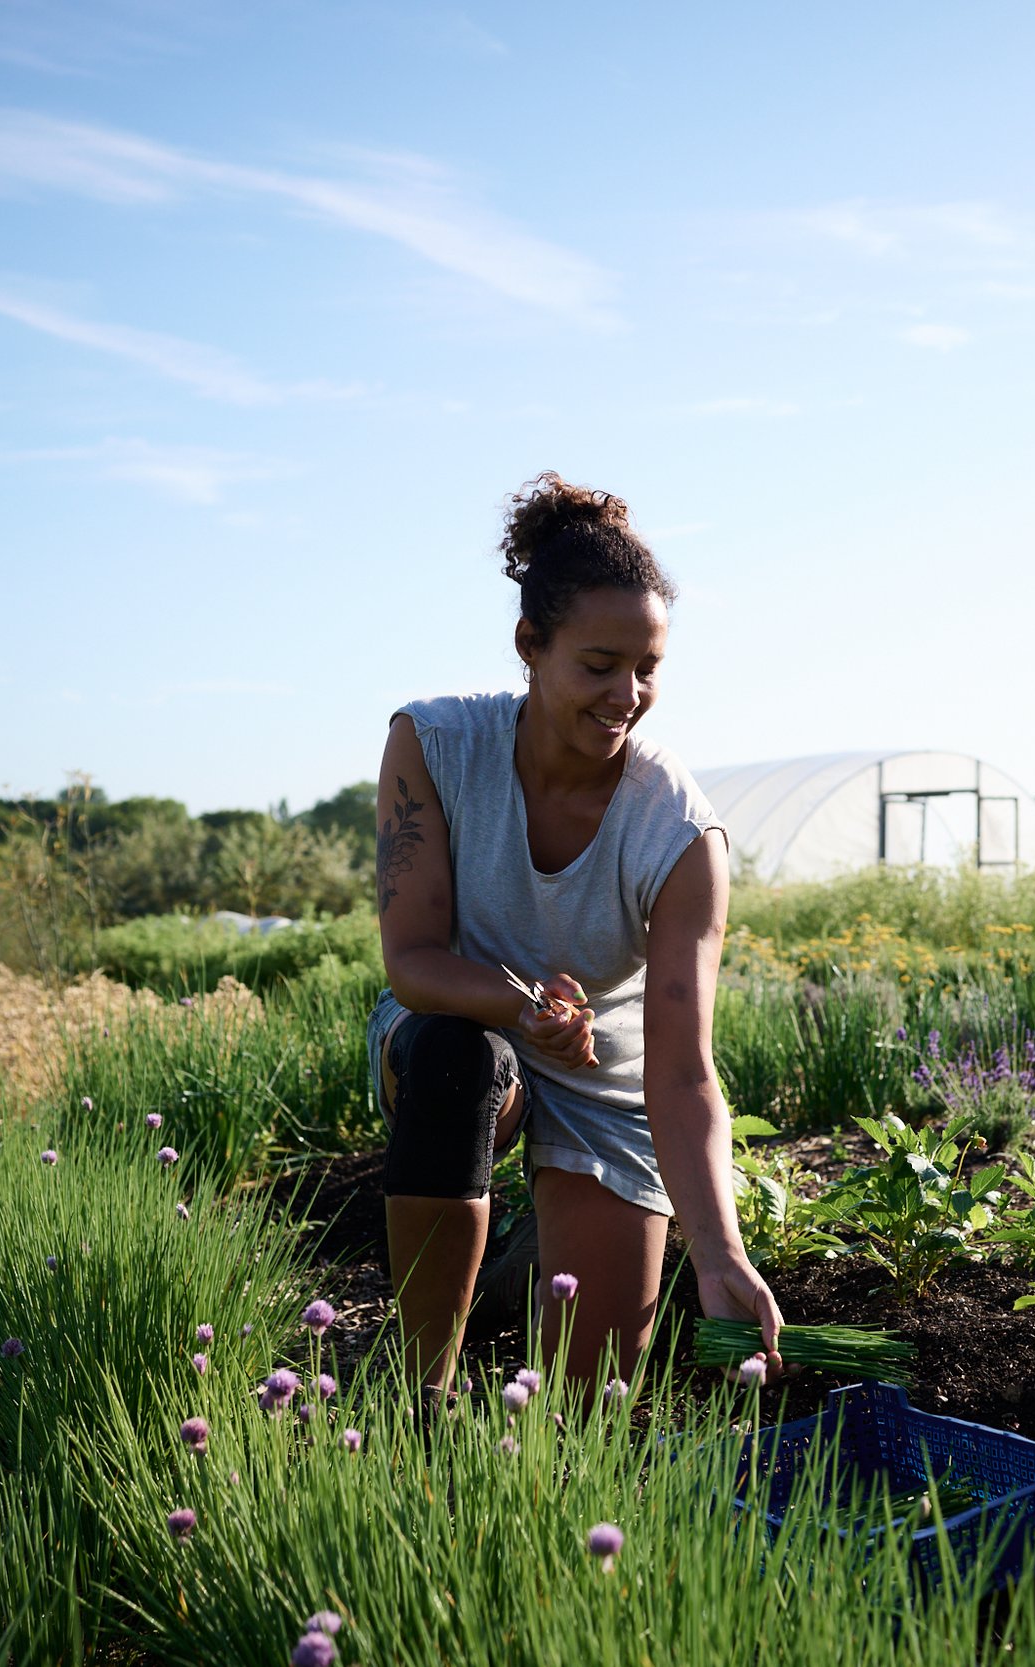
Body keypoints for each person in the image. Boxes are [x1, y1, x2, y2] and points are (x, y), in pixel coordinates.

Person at [370, 472, 784, 1394]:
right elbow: (413, 963)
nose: (626, 694)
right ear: (530, 644)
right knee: (460, 1063)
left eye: (648, 668)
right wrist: (521, 1007)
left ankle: (516, 1268)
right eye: (599, 665)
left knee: (587, 1403)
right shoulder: (434, 745)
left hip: (607, 1076)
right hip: (462, 1026)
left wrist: (721, 1251)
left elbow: (683, 1069)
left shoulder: (679, 831)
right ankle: (423, 1394)